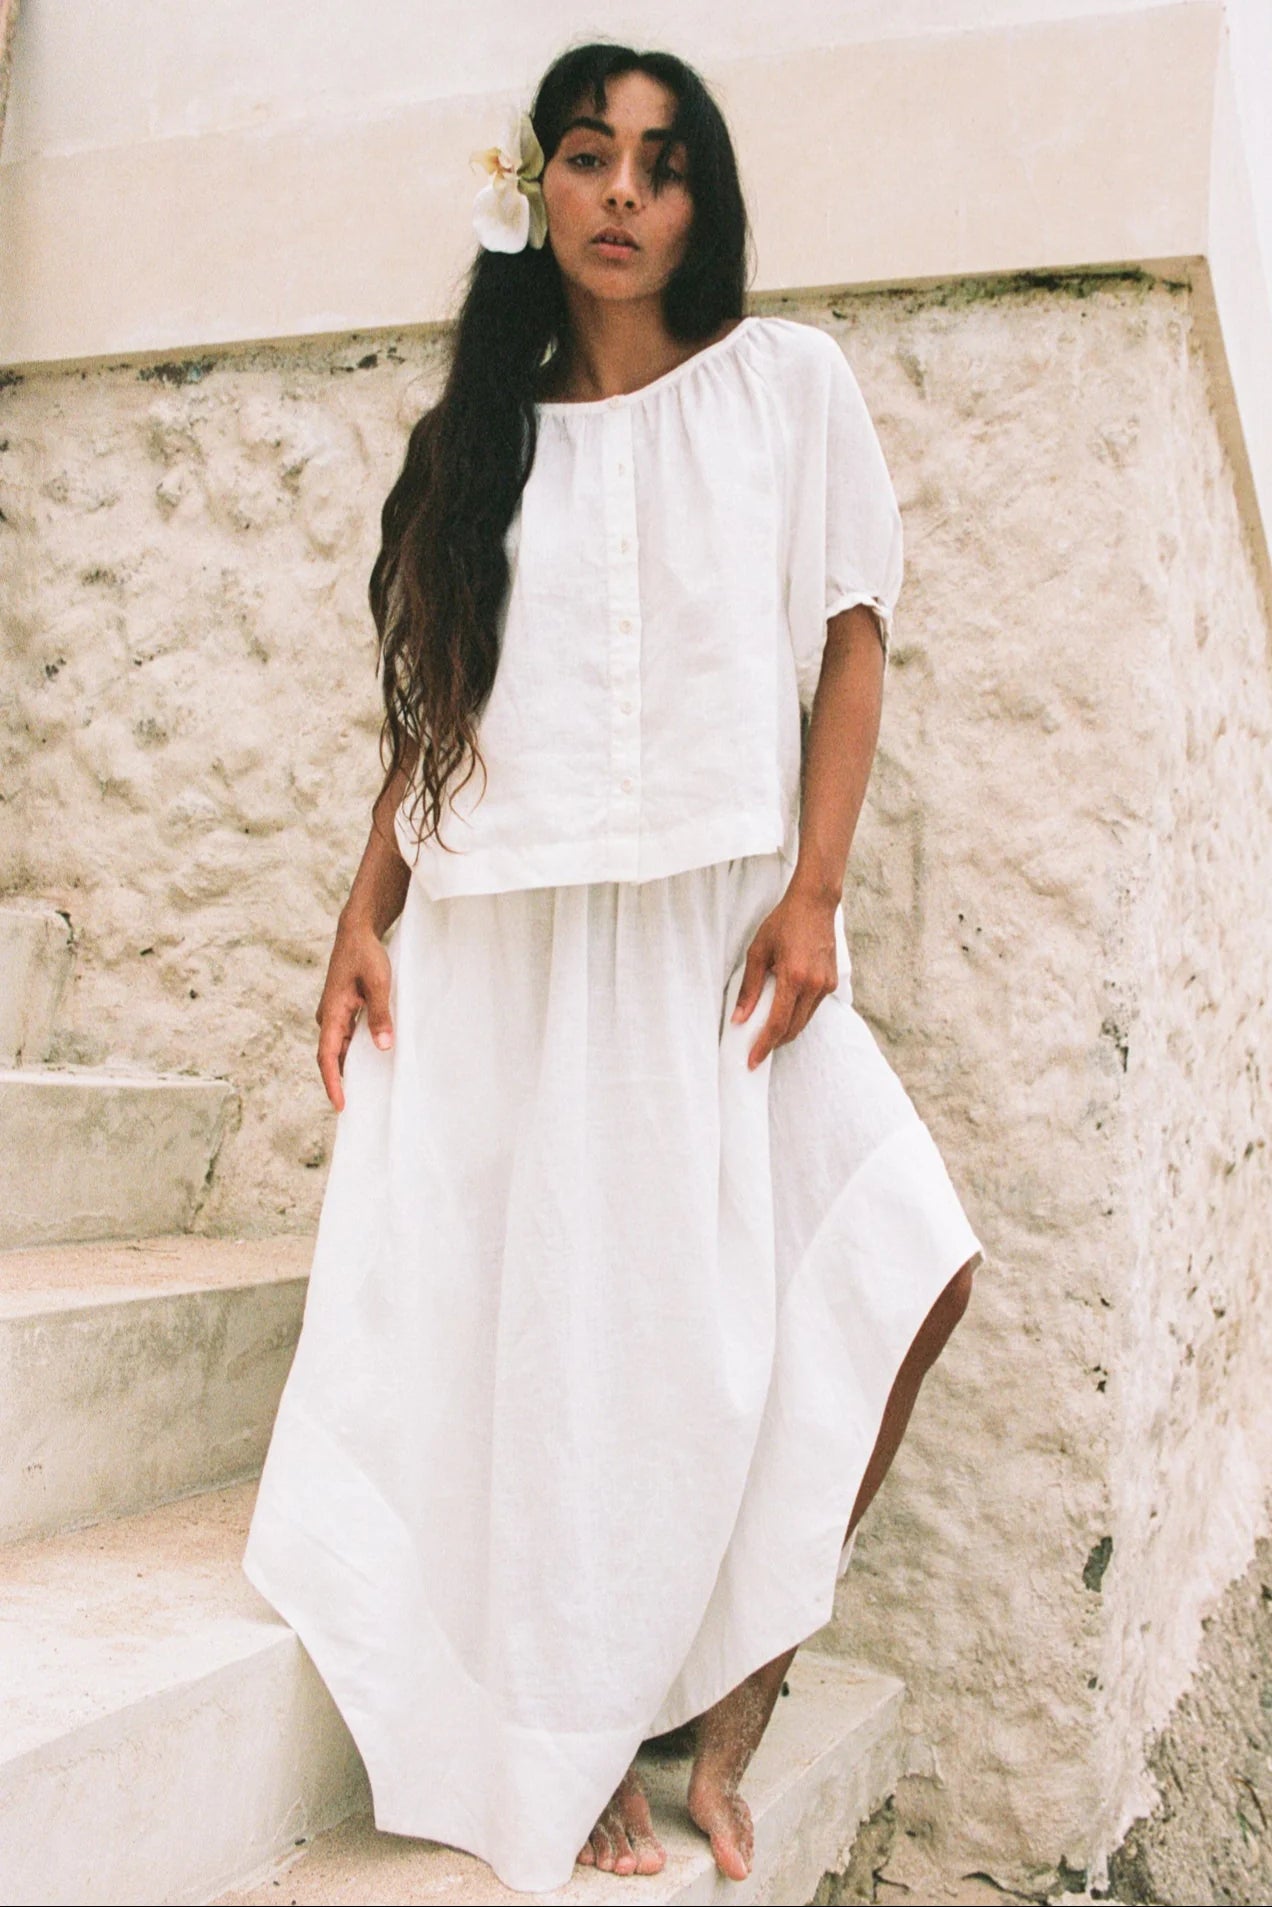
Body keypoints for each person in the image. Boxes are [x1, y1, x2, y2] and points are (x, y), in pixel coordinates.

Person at [242, 40, 983, 1896]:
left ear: (701, 198)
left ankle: (733, 1698)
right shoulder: (474, 446)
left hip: (724, 944)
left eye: (661, 162)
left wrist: (816, 893)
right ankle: (560, 1729)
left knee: (909, 1257)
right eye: (588, 157)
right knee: (570, 1350)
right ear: (537, 192)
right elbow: (438, 719)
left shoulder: (787, 386)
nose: (625, 193)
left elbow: (853, 638)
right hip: (513, 942)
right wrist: (361, 915)